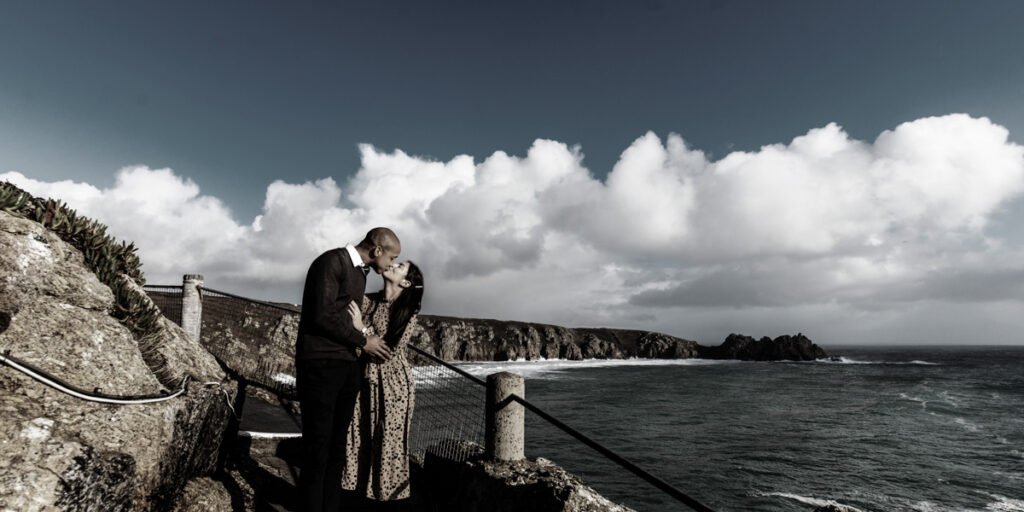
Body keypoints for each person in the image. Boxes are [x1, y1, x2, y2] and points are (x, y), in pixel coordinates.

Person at [295, 227, 399, 512]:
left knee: (336, 448)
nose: (391, 264)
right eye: (392, 257)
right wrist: (363, 340)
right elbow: (321, 315)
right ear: (377, 250)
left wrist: (359, 342)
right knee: (318, 446)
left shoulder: (361, 274)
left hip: (346, 365)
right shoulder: (332, 261)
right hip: (319, 364)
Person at [341, 260, 424, 505]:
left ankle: (389, 500)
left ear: (406, 282)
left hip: (394, 385)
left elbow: (387, 351)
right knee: (359, 436)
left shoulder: (408, 311)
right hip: (365, 380)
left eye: (400, 266)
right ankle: (359, 497)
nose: (393, 264)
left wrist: (361, 328)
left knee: (388, 442)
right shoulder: (369, 300)